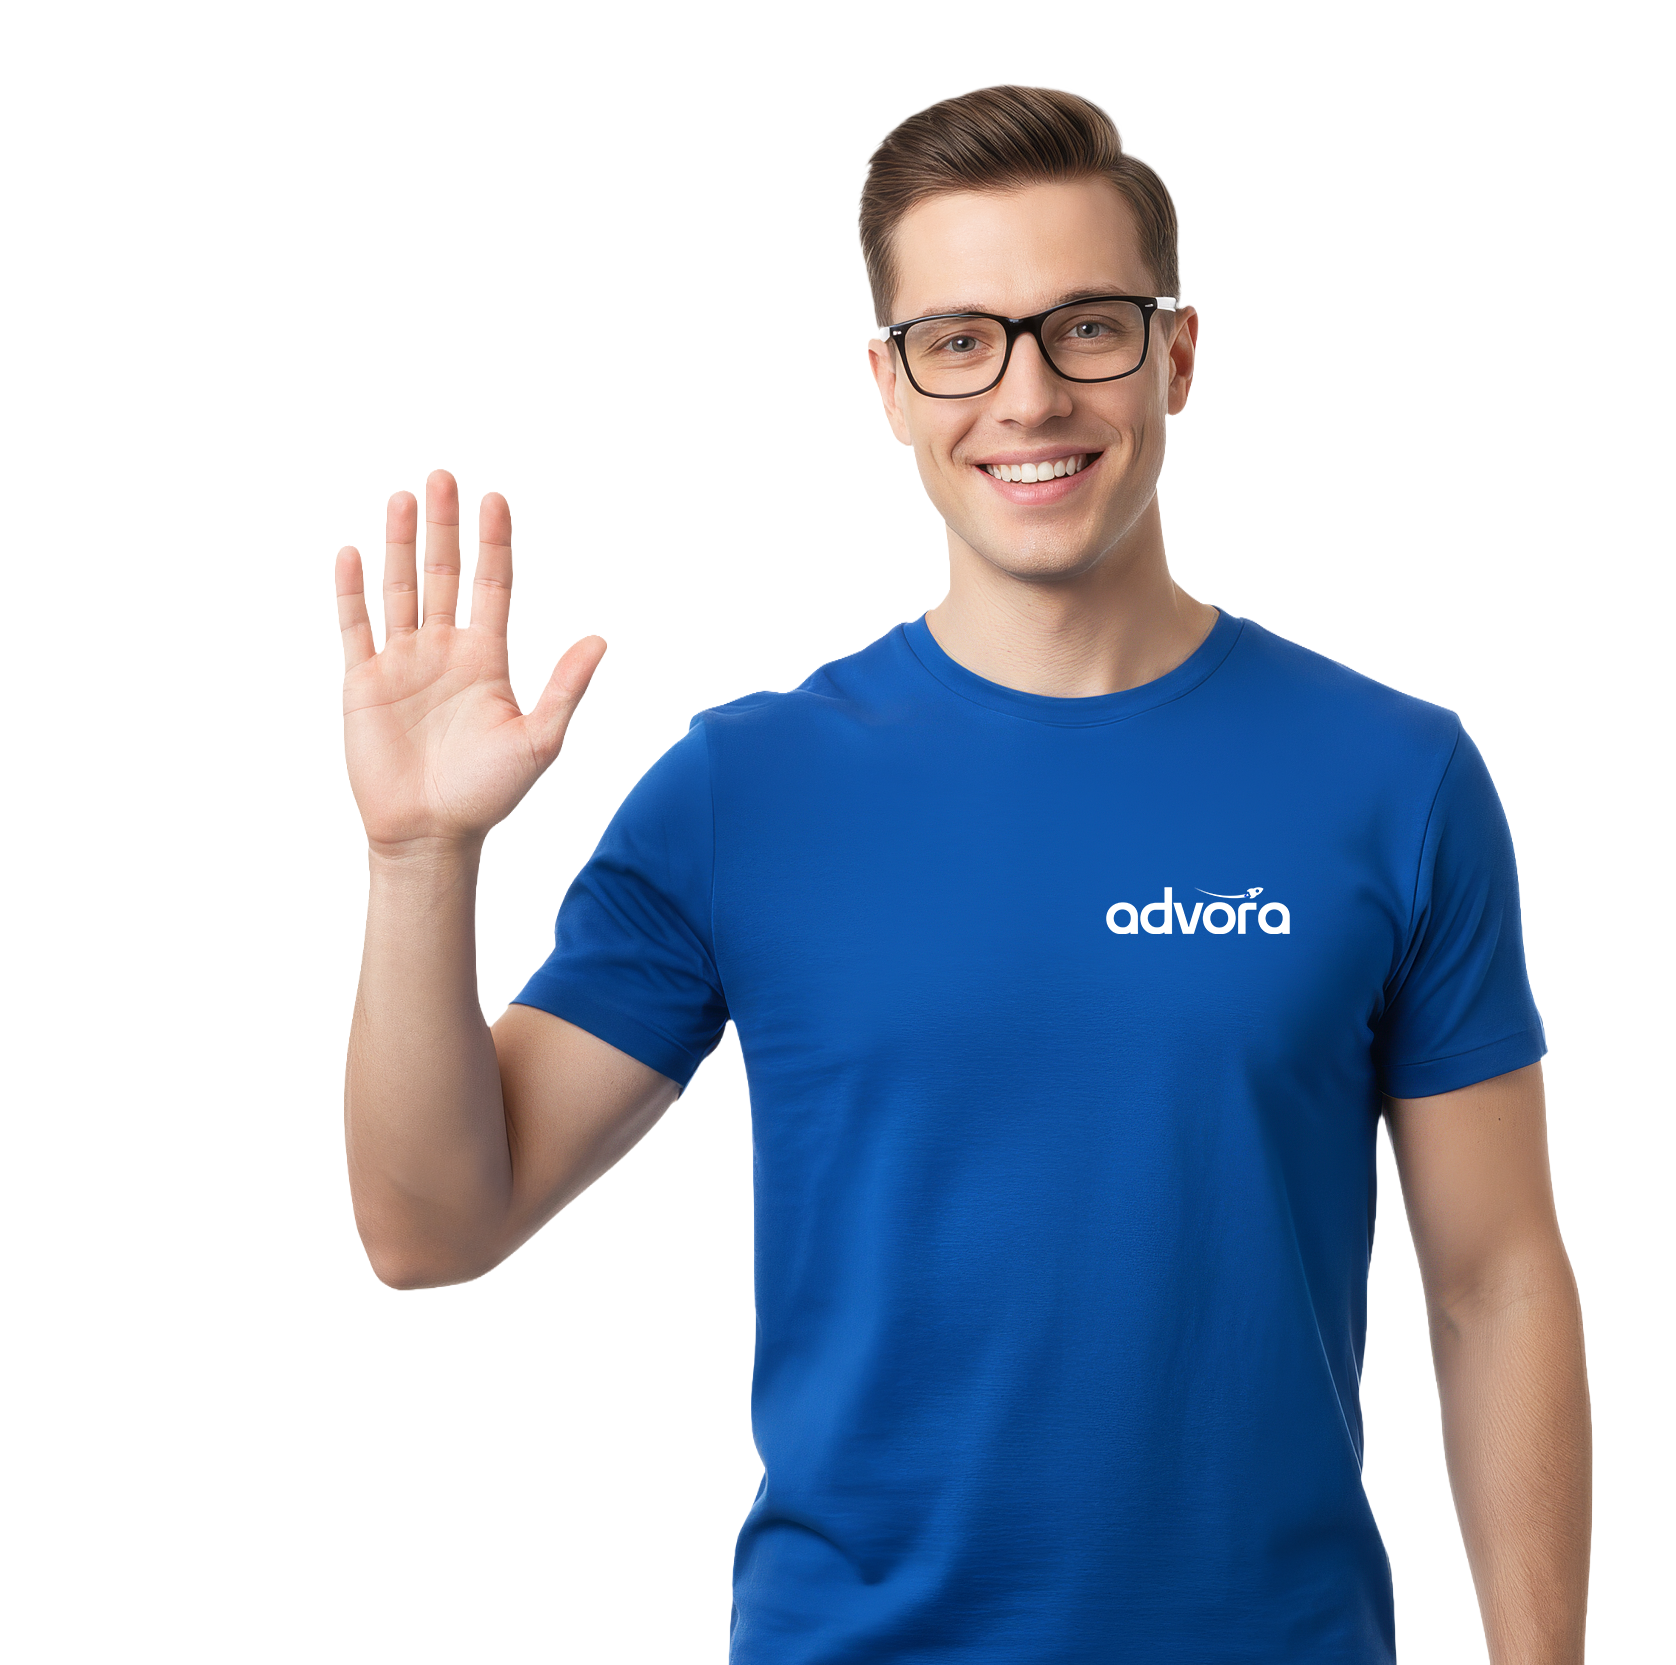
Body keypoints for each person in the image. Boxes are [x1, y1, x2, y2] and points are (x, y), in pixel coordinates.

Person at [334, 85, 1590, 1665]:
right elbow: (431, 1227)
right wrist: (418, 859)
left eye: (1088, 328)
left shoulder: (1391, 778)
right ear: (890, 383)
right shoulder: (748, 791)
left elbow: (1494, 1282)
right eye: (960, 341)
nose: (1028, 395)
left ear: (1177, 354)